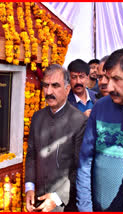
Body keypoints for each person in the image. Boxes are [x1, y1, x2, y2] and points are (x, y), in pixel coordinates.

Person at [76, 48, 123, 212]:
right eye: (107, 78)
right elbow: (85, 162)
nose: (108, 87)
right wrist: (85, 208)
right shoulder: (100, 107)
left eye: (116, 79)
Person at [25, 64, 88, 212]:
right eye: (45, 86)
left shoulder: (79, 121)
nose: (49, 91)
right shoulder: (37, 117)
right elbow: (31, 155)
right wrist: (29, 187)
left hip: (63, 203)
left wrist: (57, 197)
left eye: (55, 86)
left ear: (67, 90)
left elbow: (80, 168)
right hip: (38, 200)